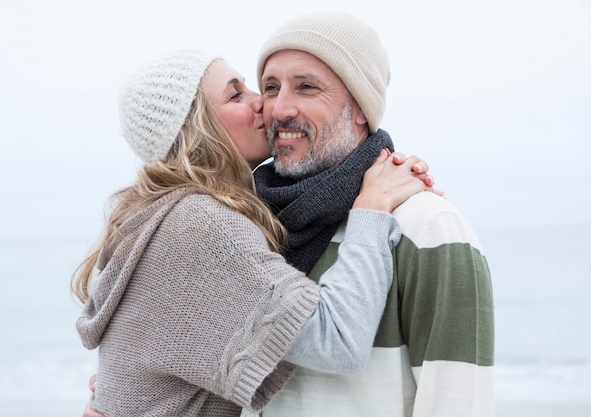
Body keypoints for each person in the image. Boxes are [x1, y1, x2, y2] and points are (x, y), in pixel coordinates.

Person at [73, 49, 438, 416]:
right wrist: (372, 205)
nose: (262, 103)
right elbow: (338, 341)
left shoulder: (163, 215)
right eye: (236, 95)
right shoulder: (199, 222)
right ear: (196, 128)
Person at [251, 11, 495, 417]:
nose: (279, 108)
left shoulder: (427, 228)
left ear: (361, 107)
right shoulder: (246, 230)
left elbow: (459, 403)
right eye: (271, 87)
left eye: (307, 87)